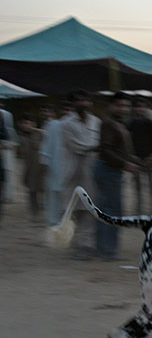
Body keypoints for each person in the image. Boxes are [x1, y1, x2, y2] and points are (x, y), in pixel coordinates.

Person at [95, 92, 139, 260]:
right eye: (120, 105)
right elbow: (106, 150)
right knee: (111, 211)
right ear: (111, 106)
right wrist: (126, 164)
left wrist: (135, 160)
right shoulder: (108, 124)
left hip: (112, 170)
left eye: (126, 106)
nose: (124, 109)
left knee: (108, 210)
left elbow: (119, 150)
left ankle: (104, 248)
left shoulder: (118, 124)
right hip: (108, 170)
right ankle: (107, 250)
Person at [60, 89, 101, 260]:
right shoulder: (66, 124)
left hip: (93, 171)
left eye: (85, 100)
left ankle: (88, 245)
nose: (82, 103)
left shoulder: (96, 122)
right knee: (77, 209)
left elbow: (100, 143)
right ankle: (80, 244)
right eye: (78, 100)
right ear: (73, 104)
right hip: (74, 171)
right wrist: (96, 146)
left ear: (90, 102)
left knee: (91, 208)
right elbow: (78, 146)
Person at [39, 102, 73, 225]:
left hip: (72, 172)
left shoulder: (79, 127)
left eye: (69, 109)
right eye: (65, 109)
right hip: (55, 169)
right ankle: (54, 225)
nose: (67, 112)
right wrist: (44, 163)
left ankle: (66, 226)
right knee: (54, 198)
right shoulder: (53, 126)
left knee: (70, 200)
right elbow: (46, 147)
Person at [127, 98, 152, 214]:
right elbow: (127, 142)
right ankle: (138, 211)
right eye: (138, 106)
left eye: (143, 106)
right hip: (135, 160)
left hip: (149, 160)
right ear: (134, 108)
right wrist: (131, 157)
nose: (140, 109)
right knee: (137, 187)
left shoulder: (151, 124)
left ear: (146, 108)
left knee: (151, 187)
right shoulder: (129, 124)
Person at [16, 114, 45, 220]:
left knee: (44, 191)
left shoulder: (41, 134)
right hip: (29, 168)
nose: (26, 126)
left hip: (41, 168)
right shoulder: (22, 136)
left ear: (34, 124)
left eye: (28, 123)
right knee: (31, 192)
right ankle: (34, 214)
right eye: (24, 123)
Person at [0, 100, 18, 203]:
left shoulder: (8, 131)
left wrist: (4, 146)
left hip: (6, 156)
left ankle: (6, 196)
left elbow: (12, 143)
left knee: (7, 175)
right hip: (5, 156)